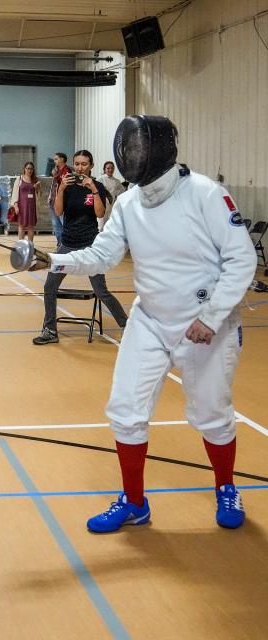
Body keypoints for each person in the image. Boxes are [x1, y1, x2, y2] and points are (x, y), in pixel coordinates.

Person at [30, 116, 257, 532]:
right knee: (125, 411)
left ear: (160, 149)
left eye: (138, 148)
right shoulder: (132, 202)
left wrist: (211, 317)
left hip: (206, 325)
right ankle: (134, 503)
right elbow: (102, 255)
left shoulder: (205, 194)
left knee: (211, 414)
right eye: (128, 148)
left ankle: (226, 487)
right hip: (150, 320)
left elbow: (243, 259)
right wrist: (52, 259)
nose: (132, 155)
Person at [33, 150, 128, 345]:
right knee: (49, 286)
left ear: (91, 166)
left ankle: (127, 325)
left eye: (84, 164)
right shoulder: (66, 187)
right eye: (77, 164)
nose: (79, 168)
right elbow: (58, 211)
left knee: (101, 291)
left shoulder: (98, 186)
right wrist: (60, 189)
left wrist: (93, 189)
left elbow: (100, 214)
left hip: (90, 247)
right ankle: (50, 330)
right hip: (67, 246)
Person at [11, 161, 42, 242]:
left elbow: (39, 194)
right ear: (24, 169)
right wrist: (15, 205)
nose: (29, 170)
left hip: (32, 206)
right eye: (27, 168)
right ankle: (21, 244)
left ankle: (30, 245)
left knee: (31, 226)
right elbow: (14, 193)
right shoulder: (19, 179)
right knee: (21, 225)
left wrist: (37, 188)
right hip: (22, 206)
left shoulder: (35, 180)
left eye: (31, 169)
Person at [97, 161, 126, 231]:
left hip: (111, 206)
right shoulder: (100, 179)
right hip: (102, 206)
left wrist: (116, 197)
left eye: (112, 168)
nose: (110, 170)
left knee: (109, 226)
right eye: (108, 168)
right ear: (104, 169)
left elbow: (123, 192)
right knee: (100, 226)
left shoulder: (117, 181)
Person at [47, 153, 69, 246]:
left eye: (56, 159)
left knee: (63, 224)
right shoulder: (57, 170)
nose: (54, 161)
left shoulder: (66, 171)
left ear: (62, 159)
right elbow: (54, 186)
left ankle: (66, 244)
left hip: (61, 203)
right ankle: (60, 244)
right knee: (56, 225)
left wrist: (56, 175)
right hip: (53, 202)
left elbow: (63, 186)